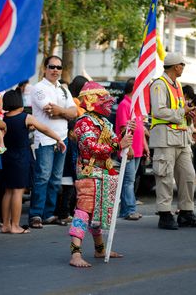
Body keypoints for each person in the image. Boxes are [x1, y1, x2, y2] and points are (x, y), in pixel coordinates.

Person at [68, 81, 134, 267]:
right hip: (89, 172)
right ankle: (75, 254)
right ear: (91, 100)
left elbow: (115, 143)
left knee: (98, 212)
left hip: (104, 171)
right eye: (103, 98)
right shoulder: (83, 122)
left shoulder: (104, 122)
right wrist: (117, 145)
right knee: (84, 211)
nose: (108, 102)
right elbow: (91, 147)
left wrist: (125, 135)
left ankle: (100, 250)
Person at [149, 52, 196, 230]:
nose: (183, 68)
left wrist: (187, 114)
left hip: (182, 139)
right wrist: (183, 111)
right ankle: (165, 214)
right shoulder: (159, 84)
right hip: (165, 138)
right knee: (165, 177)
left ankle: (186, 212)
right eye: (183, 65)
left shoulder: (177, 85)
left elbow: (178, 111)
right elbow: (159, 111)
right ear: (176, 66)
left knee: (188, 176)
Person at [1, 89, 66, 234]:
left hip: (7, 157)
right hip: (21, 157)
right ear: (19, 102)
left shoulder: (3, 119)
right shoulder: (26, 117)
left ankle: (5, 225)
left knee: (8, 191)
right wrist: (59, 139)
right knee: (18, 191)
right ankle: (15, 226)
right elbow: (45, 129)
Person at [29, 55, 77, 228]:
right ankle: (35, 215)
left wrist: (61, 111)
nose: (55, 70)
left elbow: (75, 112)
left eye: (58, 67)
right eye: (52, 66)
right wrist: (66, 112)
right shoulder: (38, 88)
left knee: (56, 179)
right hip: (45, 139)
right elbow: (49, 111)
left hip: (62, 138)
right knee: (42, 177)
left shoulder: (63, 89)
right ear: (45, 68)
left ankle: (49, 214)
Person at [55, 76, 88, 225]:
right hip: (71, 142)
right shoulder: (74, 101)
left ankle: (65, 211)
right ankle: (64, 212)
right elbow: (76, 118)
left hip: (71, 141)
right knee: (69, 180)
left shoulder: (75, 101)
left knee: (68, 181)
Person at [115, 77, 149, 220]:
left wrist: (145, 146)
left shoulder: (136, 106)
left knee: (131, 180)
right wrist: (127, 148)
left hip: (138, 149)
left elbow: (140, 129)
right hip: (128, 149)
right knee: (128, 180)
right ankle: (129, 210)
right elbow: (123, 127)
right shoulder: (124, 104)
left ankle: (126, 209)